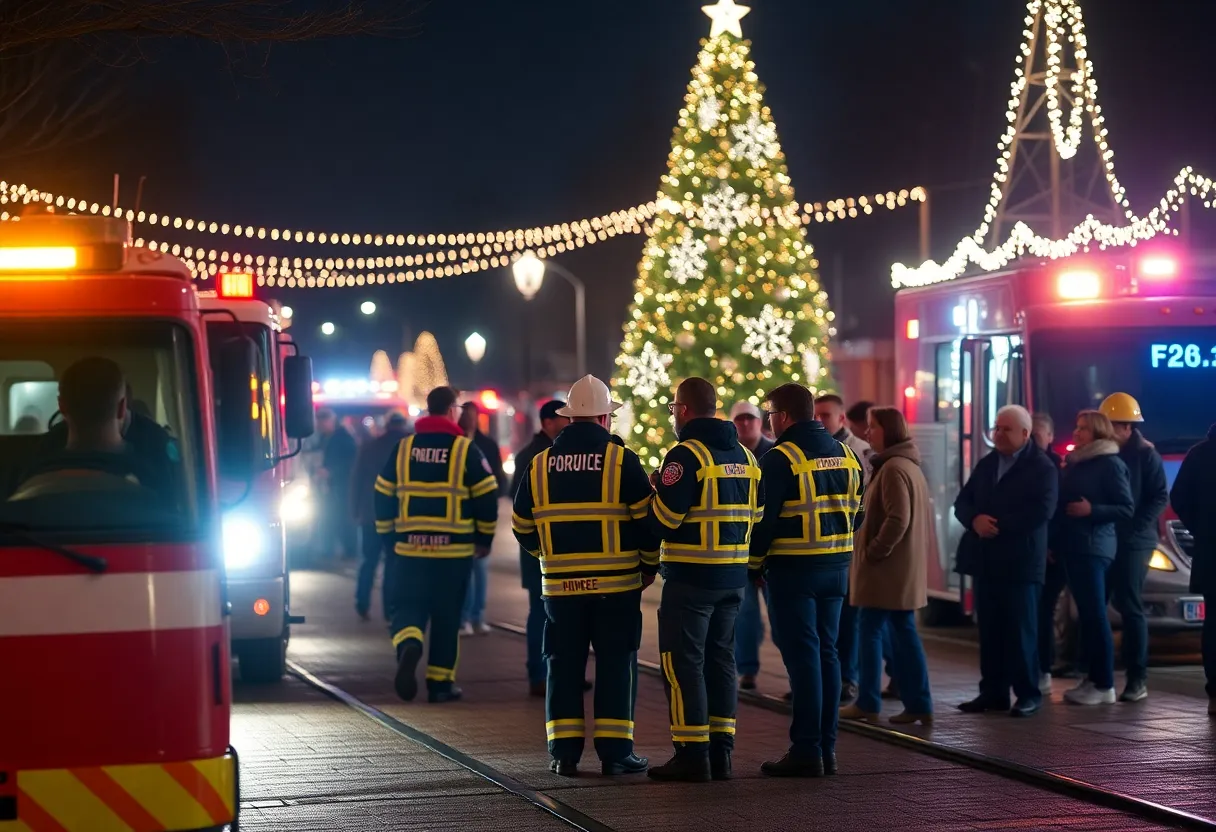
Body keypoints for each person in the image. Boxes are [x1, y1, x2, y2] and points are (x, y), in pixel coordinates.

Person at [512, 375, 658, 777]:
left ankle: (564, 755)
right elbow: (646, 522)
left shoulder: (539, 464)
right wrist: (648, 565)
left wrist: (548, 555)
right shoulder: (620, 460)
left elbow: (521, 524)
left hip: (560, 590)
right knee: (615, 666)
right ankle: (615, 754)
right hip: (616, 588)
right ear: (603, 418)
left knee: (562, 667)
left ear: (571, 419)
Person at [645, 377, 760, 783]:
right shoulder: (746, 456)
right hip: (733, 579)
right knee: (722, 662)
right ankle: (721, 754)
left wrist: (654, 494)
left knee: (682, 665)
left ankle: (692, 754)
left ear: (686, 409)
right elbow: (756, 518)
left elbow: (665, 520)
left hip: (692, 579)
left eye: (674, 408)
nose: (674, 415)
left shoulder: (684, 456)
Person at [749, 383, 862, 778]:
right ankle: (826, 748)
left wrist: (754, 564)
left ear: (782, 416)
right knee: (828, 654)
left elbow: (764, 522)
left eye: (769, 415)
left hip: (793, 571)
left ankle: (806, 750)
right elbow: (857, 512)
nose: (768, 422)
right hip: (836, 570)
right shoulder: (847, 454)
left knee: (803, 660)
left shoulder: (780, 458)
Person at [374, 386, 499, 704]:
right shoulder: (464, 449)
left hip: (409, 551)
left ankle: (409, 645)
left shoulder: (404, 448)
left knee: (406, 607)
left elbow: (382, 492)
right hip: (453, 553)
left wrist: (388, 535)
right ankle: (440, 684)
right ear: (452, 410)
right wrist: (484, 538)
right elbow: (486, 493)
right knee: (446, 616)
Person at [954, 405, 1059, 717]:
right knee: (990, 631)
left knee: (1022, 631)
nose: (998, 434)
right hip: (986, 561)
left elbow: (1042, 511)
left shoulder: (1042, 468)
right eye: (996, 428)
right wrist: (974, 520)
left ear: (1025, 434)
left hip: (1021, 564)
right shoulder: (988, 464)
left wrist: (996, 525)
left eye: (1005, 429)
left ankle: (1028, 693)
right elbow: (963, 501)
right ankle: (993, 692)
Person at [840, 407, 934, 727]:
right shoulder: (905, 465)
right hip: (897, 572)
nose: (867, 433)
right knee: (902, 633)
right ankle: (918, 702)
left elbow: (898, 519)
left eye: (873, 427)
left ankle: (868, 701)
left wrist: (874, 552)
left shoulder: (893, 468)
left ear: (888, 431)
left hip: (886, 573)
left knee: (870, 632)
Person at [1051, 410, 1134, 706]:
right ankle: (1091, 678)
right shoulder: (1077, 463)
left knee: (1095, 614)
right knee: (1086, 615)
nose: (1076, 432)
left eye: (1083, 428)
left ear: (1098, 433)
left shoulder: (1110, 464)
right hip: (1075, 545)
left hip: (1093, 546)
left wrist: (1092, 511)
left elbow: (1126, 507)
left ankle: (1104, 683)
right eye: (1076, 427)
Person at [815, 394, 890, 704]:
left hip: (852, 551)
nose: (819, 421)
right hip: (829, 553)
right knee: (833, 624)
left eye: (826, 415)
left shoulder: (860, 452)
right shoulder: (813, 451)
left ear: (842, 418)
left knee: (851, 623)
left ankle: (850, 680)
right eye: (815, 415)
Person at [1098, 393, 1168, 703]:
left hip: (1134, 542)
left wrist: (1134, 528)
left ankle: (1137, 678)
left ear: (1128, 427)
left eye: (1112, 426)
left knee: (1129, 604)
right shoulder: (1106, 454)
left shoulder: (1145, 455)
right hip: (1107, 538)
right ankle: (1094, 672)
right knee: (1098, 603)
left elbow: (1158, 497)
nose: (1107, 431)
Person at [510, 399, 572, 696]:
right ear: (548, 422)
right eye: (563, 419)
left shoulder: (532, 454)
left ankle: (554, 672)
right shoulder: (537, 456)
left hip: (542, 550)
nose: (568, 423)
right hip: (541, 551)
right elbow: (520, 509)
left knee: (549, 613)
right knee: (541, 613)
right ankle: (539, 673)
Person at [1168, 424, 1216, 717]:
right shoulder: (1200, 454)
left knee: (1213, 627)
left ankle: (1215, 693)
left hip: (1211, 556)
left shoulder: (1199, 454)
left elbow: (1179, 499)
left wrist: (1203, 530)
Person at [730, 400, 777, 691]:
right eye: (740, 420)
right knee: (745, 615)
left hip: (772, 551)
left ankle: (795, 673)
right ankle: (747, 670)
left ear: (760, 422)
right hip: (743, 550)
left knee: (781, 616)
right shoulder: (729, 454)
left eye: (750, 419)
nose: (745, 424)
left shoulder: (774, 453)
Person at [351, 410, 412, 621]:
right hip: (399, 516)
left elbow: (356, 479)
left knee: (368, 560)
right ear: (403, 426)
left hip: (370, 514)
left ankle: (362, 602)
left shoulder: (369, 447)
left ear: (387, 426)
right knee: (393, 564)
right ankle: (390, 609)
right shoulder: (409, 449)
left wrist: (354, 510)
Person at [459, 401, 509, 635]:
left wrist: (493, 498)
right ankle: (465, 617)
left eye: (472, 415)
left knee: (480, 568)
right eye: (465, 415)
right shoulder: (457, 444)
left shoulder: (487, 444)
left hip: (481, 516)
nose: (470, 419)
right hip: (461, 516)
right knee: (465, 569)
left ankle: (477, 615)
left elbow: (498, 476)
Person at [1032, 412, 1069, 686]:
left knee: (1043, 610)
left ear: (1049, 437)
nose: (1033, 441)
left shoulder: (1056, 469)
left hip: (1052, 553)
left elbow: (1056, 513)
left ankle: (1043, 666)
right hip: (1033, 550)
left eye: (1037, 435)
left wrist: (1049, 545)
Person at [316, 408, 358, 560]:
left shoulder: (342, 438)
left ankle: (349, 550)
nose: (319, 426)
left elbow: (351, 462)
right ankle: (333, 549)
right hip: (332, 486)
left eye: (321, 422)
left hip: (342, 486)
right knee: (332, 517)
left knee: (342, 518)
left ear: (329, 421)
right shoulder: (327, 437)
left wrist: (331, 471)